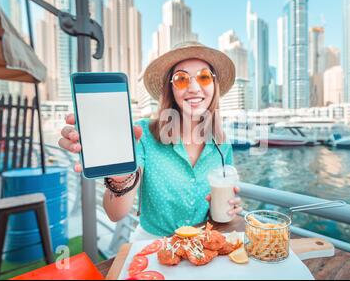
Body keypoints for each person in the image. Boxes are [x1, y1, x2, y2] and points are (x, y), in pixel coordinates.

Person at [59, 41, 242, 239]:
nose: (194, 88)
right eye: (181, 79)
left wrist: (231, 207)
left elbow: (220, 204)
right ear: (170, 88)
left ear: (214, 85)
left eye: (204, 77)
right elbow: (115, 213)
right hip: (153, 246)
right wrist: (121, 178)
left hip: (203, 243)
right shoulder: (143, 134)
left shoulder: (222, 145)